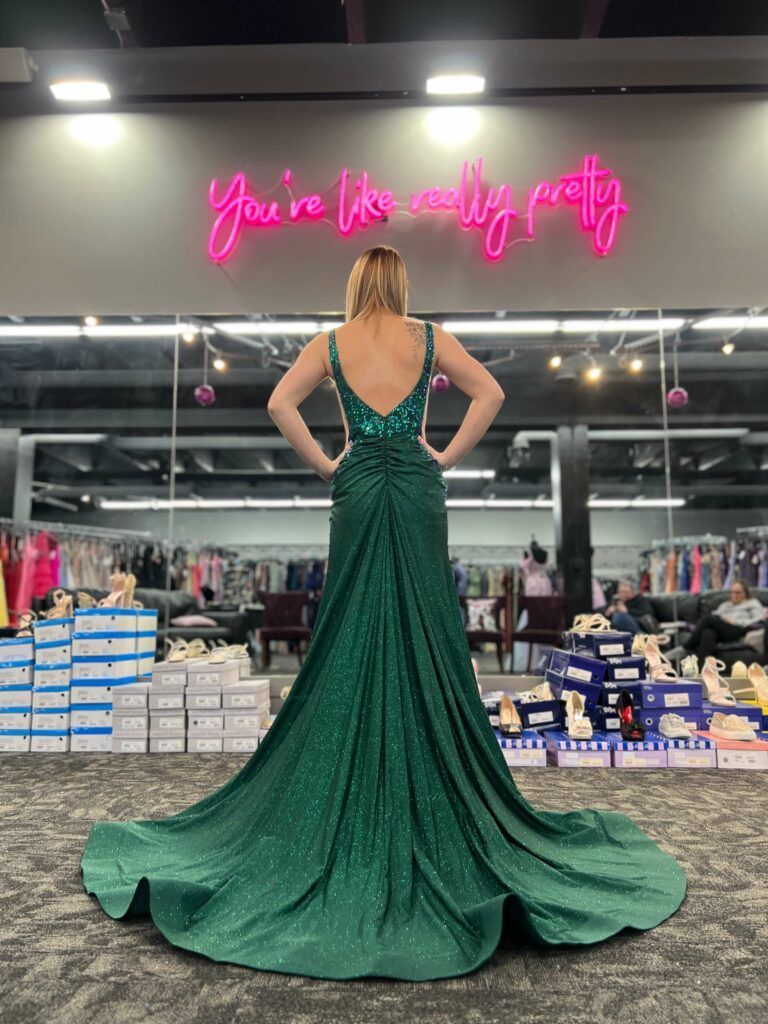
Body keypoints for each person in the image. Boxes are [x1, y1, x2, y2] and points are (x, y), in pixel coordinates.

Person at [80, 245, 686, 981]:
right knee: (427, 622)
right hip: (419, 485)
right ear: (401, 285)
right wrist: (444, 455)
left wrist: (326, 463)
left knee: (350, 622)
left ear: (354, 284)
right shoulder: (426, 338)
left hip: (361, 483)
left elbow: (279, 404)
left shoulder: (330, 344)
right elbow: (489, 394)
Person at [676, 580, 767, 662]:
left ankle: (685, 647)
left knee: (708, 619)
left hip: (739, 629)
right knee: (708, 633)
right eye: (732, 592)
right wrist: (722, 620)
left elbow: (758, 619)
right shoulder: (726, 605)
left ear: (745, 593)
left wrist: (734, 622)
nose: (734, 595)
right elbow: (715, 615)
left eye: (738, 593)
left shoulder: (752, 603)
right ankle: (706, 670)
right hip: (723, 629)